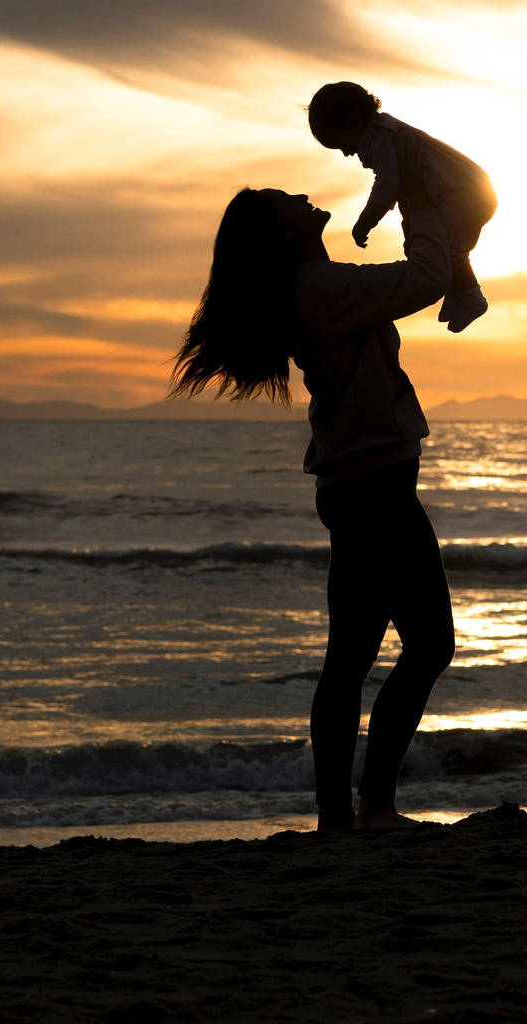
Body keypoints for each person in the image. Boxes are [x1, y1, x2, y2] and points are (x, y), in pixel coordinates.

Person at [169, 154, 453, 831]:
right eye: (284, 198)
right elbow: (428, 277)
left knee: (352, 658)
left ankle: (343, 814)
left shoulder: (313, 285)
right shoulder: (318, 288)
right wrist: (422, 203)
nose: (300, 193)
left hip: (359, 484)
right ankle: (371, 806)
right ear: (282, 233)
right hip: (374, 488)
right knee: (426, 645)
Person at [306, 80, 498, 333]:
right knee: (425, 244)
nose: (346, 154)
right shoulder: (386, 130)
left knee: (446, 250)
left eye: (342, 144)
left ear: (353, 122)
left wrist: (366, 221)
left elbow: (388, 185)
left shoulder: (381, 139)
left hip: (465, 195)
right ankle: (460, 292)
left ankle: (470, 297)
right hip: (466, 192)